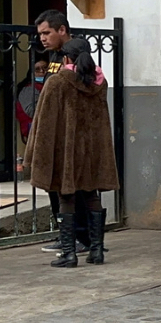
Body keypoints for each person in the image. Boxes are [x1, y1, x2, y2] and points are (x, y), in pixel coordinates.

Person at [23, 38, 119, 267]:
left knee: (66, 196)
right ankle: (96, 252)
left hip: (66, 149)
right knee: (91, 194)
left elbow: (44, 123)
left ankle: (69, 254)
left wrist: (36, 154)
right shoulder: (99, 83)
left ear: (65, 58)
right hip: (92, 150)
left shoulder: (57, 82)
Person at [33, 9, 92, 256]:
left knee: (75, 189)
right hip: (54, 131)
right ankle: (65, 234)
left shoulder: (76, 56)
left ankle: (82, 237)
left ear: (62, 30)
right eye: (40, 34)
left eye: (47, 32)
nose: (42, 38)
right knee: (55, 186)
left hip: (72, 133)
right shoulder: (54, 57)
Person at [15, 59, 48, 142]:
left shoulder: (46, 86)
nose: (42, 71)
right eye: (37, 69)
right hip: (35, 133)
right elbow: (32, 111)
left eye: (45, 68)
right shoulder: (29, 89)